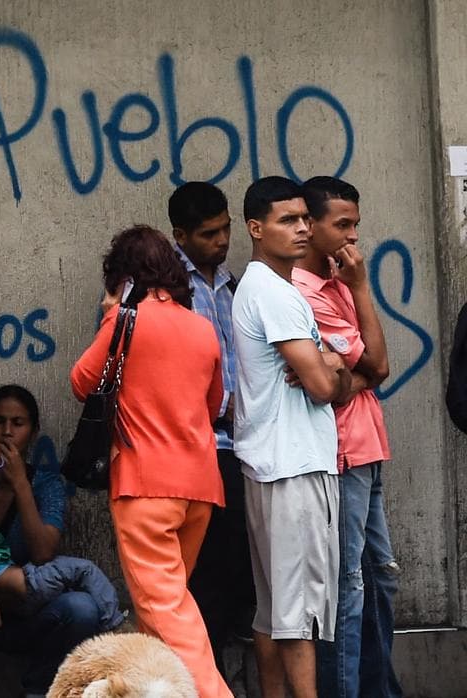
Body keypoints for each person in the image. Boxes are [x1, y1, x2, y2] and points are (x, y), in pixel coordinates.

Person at [70, 224, 231, 698]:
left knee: (168, 612)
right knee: (156, 613)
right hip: (199, 487)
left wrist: (110, 316)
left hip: (145, 487)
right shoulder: (202, 327)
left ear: (121, 277)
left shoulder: (126, 319)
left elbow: (82, 381)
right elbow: (214, 403)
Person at [233, 176, 350, 698]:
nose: (303, 228)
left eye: (305, 218)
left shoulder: (261, 288)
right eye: (288, 220)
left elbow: (327, 375)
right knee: (298, 616)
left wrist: (330, 363)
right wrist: (333, 365)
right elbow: (327, 387)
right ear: (256, 228)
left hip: (271, 465)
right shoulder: (276, 294)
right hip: (294, 467)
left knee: (274, 609)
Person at [294, 176, 401, 698]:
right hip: (340, 452)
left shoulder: (336, 281)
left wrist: (350, 380)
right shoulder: (303, 292)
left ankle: (382, 688)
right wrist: (361, 289)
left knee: (381, 575)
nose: (352, 238)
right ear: (308, 225)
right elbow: (376, 363)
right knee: (348, 584)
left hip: (368, 445)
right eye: (342, 225)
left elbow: (373, 370)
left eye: (356, 225)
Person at [0, 385, 119, 697]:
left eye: (18, 424)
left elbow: (43, 552)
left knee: (82, 608)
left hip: (27, 616)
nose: (7, 432)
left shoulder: (45, 484)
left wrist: (20, 484)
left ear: (33, 432)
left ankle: (39, 690)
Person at [169, 181, 256, 672]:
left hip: (242, 445)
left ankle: (218, 660)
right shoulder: (167, 292)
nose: (221, 241)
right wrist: (217, 405)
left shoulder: (234, 285)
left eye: (225, 229)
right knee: (206, 572)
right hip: (197, 448)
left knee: (240, 566)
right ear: (180, 236)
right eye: (208, 234)